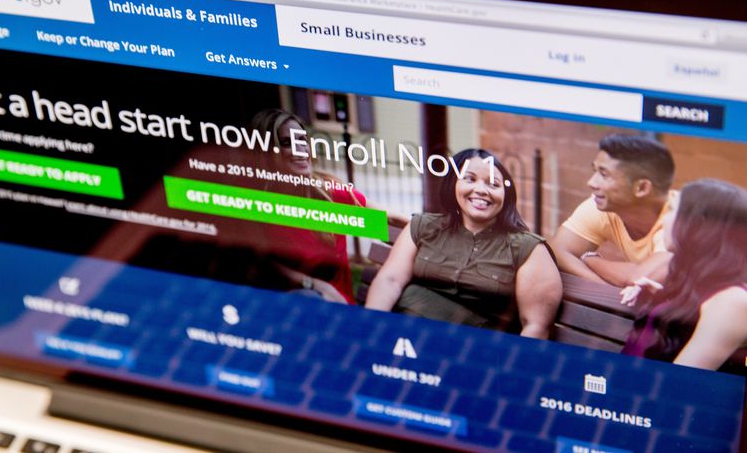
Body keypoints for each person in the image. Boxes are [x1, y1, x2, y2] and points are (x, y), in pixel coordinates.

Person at [365, 148, 561, 339]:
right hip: (400, 333)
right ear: (453, 184)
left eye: (493, 184)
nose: (482, 190)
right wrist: (371, 329)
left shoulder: (528, 249)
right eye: (470, 179)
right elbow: (390, 281)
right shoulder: (423, 226)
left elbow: (535, 327)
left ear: (506, 195)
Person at [251, 109, 407, 304]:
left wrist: (427, 228)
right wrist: (313, 284)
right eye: (286, 143)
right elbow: (264, 262)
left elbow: (386, 220)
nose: (301, 149)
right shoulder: (257, 204)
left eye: (302, 140)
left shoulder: (328, 194)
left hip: (335, 308)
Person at [622, 179, 747, 371]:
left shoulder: (733, 301)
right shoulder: (698, 284)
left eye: (671, 209)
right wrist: (662, 299)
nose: (663, 219)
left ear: (700, 224)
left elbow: (676, 385)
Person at [549, 134, 676, 288]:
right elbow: (558, 250)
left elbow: (641, 278)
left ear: (642, 188)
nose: (591, 183)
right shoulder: (602, 206)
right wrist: (604, 289)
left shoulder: (679, 219)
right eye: (594, 171)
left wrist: (590, 259)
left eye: (604, 174)